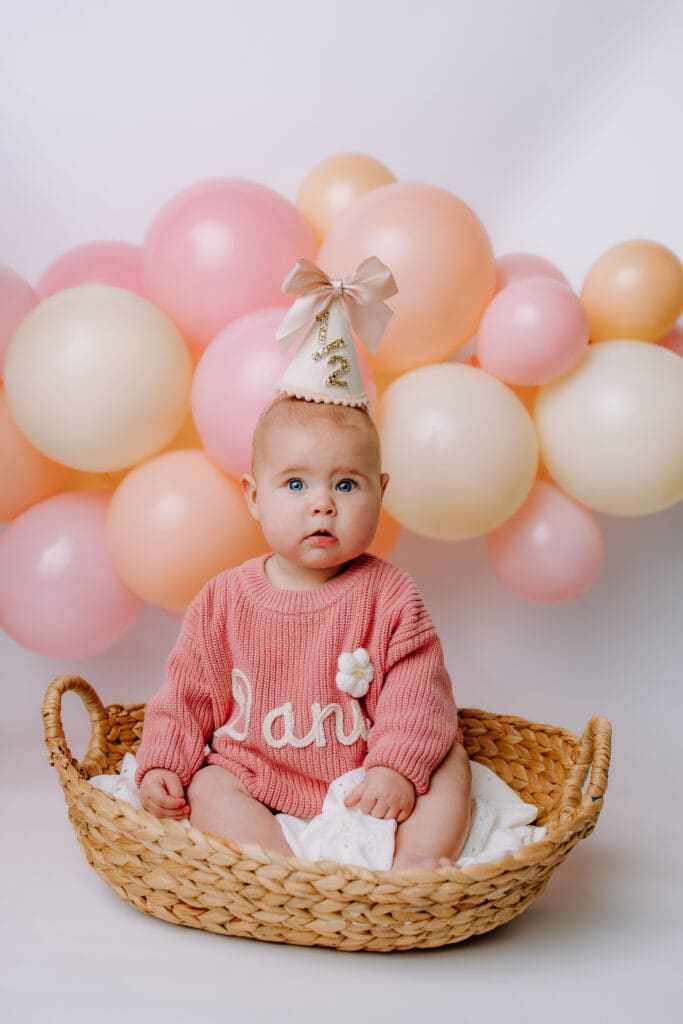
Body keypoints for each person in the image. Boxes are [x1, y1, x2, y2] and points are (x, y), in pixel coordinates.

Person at [136, 396, 471, 869]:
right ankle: (283, 872)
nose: (323, 505)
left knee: (449, 762)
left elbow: (418, 696)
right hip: (257, 774)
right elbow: (186, 694)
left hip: (368, 782)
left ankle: (414, 862)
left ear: (381, 490)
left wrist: (396, 767)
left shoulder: (391, 594)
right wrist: (165, 765)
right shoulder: (224, 599)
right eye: (296, 484)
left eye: (347, 484)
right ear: (254, 497)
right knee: (208, 786)